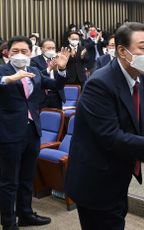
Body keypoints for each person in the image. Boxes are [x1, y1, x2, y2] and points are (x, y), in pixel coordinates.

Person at [64, 22, 144, 230]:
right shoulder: (99, 83)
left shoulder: (142, 78)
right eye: (143, 48)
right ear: (122, 51)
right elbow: (110, 135)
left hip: (119, 170)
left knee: (116, 218)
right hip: (95, 178)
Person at [0, 36, 69, 230]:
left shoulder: (34, 71)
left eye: (24, 51)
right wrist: (9, 79)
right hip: (9, 133)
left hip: (32, 131)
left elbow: (55, 86)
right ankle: (8, 222)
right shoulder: (2, 71)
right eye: (15, 51)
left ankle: (26, 214)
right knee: (8, 181)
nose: (20, 55)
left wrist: (61, 70)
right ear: (7, 53)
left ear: (31, 53)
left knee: (26, 176)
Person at [30, 38, 68, 109]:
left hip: (57, 94)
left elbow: (65, 77)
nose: (51, 50)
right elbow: (35, 77)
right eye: (48, 48)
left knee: (57, 117)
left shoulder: (58, 59)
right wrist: (49, 69)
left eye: (53, 48)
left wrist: (61, 68)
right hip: (42, 94)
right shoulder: (34, 60)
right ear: (41, 49)